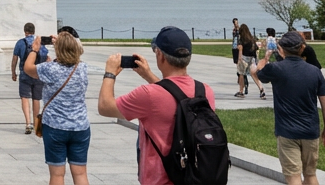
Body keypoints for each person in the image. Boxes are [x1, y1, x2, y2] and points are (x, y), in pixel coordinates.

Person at [97, 25, 215, 185]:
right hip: (194, 178)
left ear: (160, 55)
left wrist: (110, 73)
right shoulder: (205, 91)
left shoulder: (148, 95)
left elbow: (105, 107)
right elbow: (174, 96)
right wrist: (148, 75)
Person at [249, 30, 325, 185]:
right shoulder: (315, 71)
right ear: (302, 48)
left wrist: (263, 61)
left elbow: (256, 73)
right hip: (310, 131)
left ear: (281, 49)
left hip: (287, 132)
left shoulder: (276, 69)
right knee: (310, 175)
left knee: (293, 176)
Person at [25, 31, 90, 185]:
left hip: (55, 127)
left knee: (57, 175)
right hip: (80, 126)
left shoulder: (50, 69)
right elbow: (78, 51)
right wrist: (65, 42)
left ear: (58, 50)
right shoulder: (82, 67)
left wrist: (35, 49)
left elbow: (28, 68)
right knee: (80, 173)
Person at [12, 22, 49, 135]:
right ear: (34, 31)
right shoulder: (39, 42)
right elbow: (46, 57)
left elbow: (15, 59)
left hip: (25, 74)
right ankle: (36, 124)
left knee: (25, 97)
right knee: (36, 99)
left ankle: (28, 123)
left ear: (25, 31)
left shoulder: (20, 42)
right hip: (38, 73)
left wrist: (13, 72)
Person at [235, 23, 265, 99]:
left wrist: (239, 60)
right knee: (254, 75)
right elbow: (256, 49)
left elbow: (240, 50)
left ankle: (241, 91)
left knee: (241, 74)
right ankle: (261, 89)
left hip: (244, 58)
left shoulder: (241, 40)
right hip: (252, 59)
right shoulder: (252, 39)